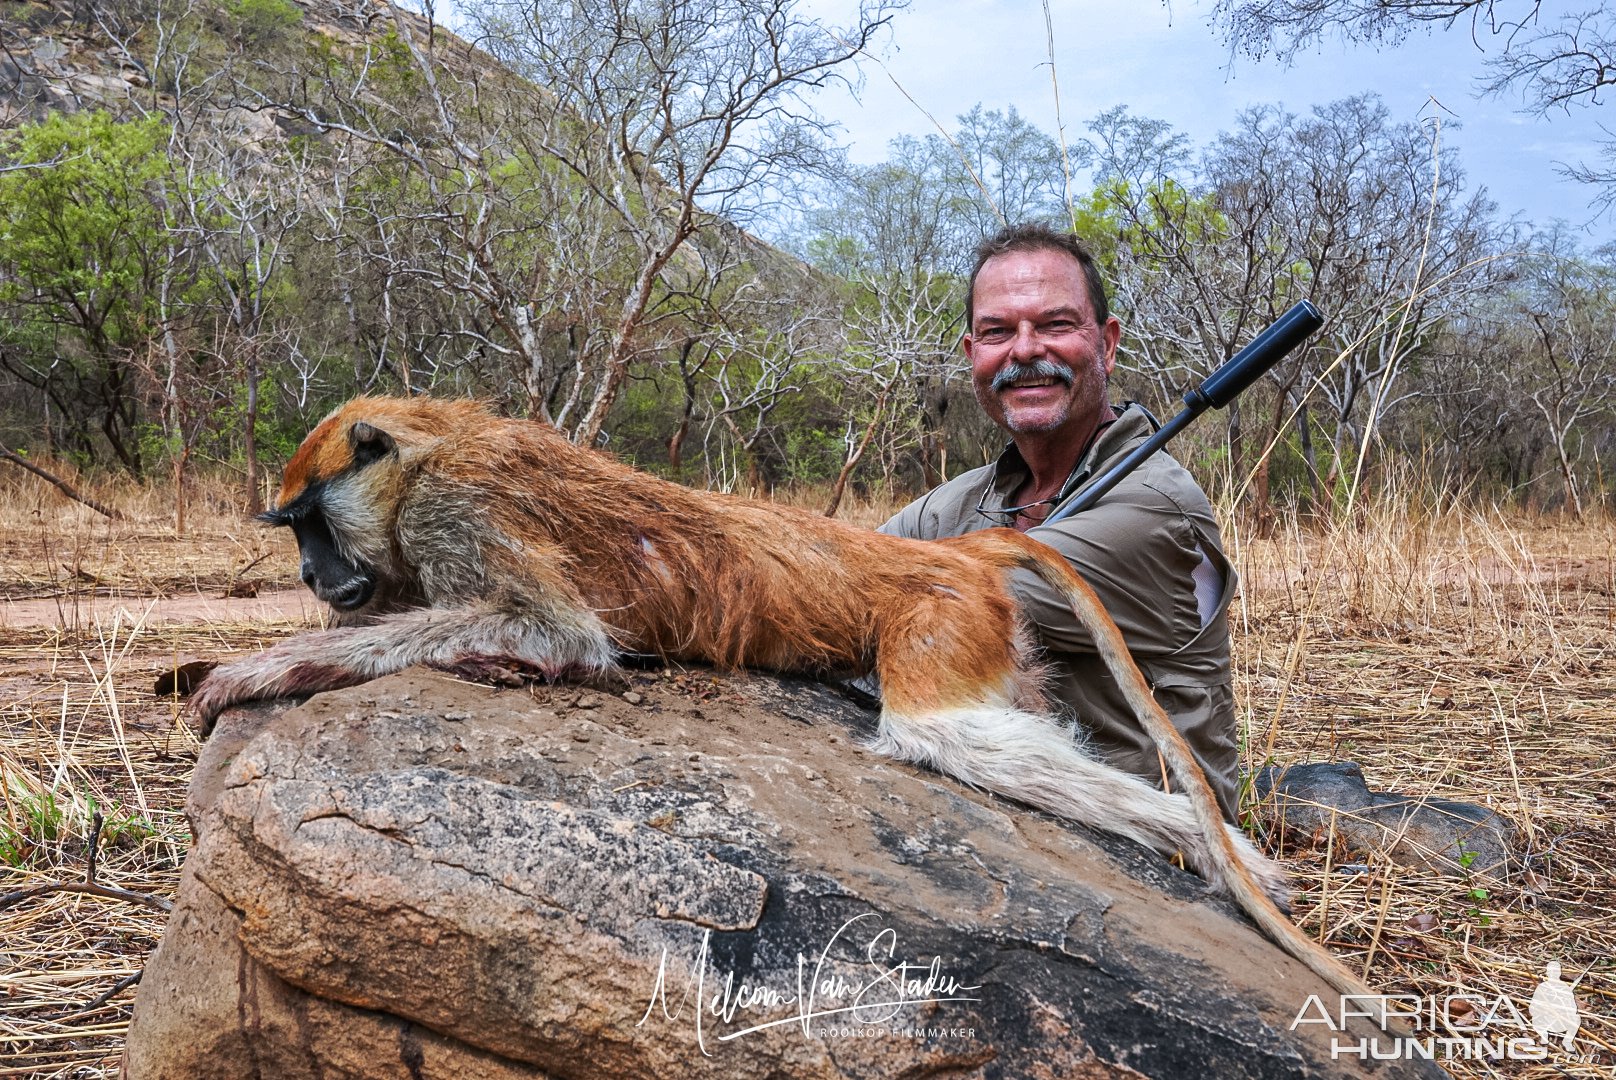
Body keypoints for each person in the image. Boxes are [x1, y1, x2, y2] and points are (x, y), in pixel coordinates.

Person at [880, 223, 1242, 820]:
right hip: (1015, 812)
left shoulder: (1153, 508)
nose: (1024, 351)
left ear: (1106, 343)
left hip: (1150, 846)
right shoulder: (964, 499)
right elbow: (845, 573)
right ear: (973, 355)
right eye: (998, 331)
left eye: (1054, 324)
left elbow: (935, 599)